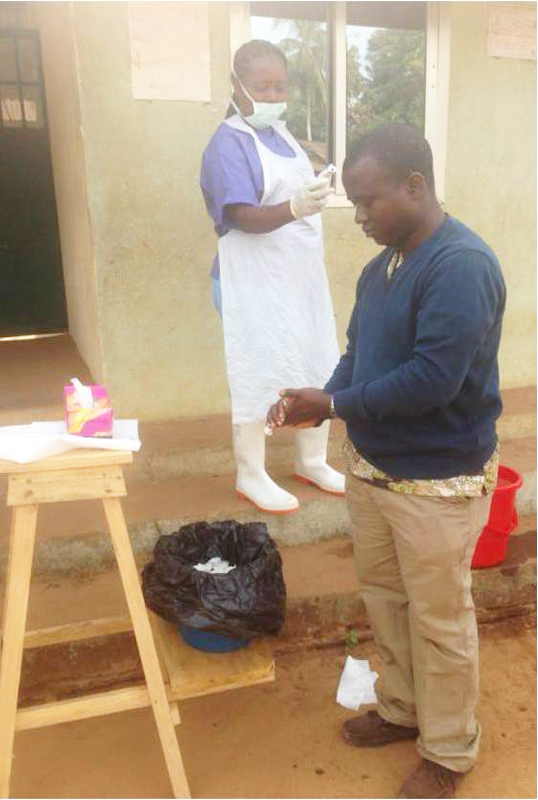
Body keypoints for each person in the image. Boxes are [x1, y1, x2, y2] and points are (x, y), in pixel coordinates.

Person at [267, 122, 506, 798]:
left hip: (436, 481)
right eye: (355, 203)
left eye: (370, 200)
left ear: (415, 186)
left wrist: (337, 404)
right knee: (386, 602)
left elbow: (433, 380)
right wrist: (322, 401)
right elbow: (358, 356)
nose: (361, 217)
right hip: (373, 471)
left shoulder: (461, 266)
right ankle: (402, 709)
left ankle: (449, 750)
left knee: (439, 620)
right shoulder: (381, 270)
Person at [200, 39, 345, 514]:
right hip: (250, 283)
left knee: (314, 361)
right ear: (237, 86)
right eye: (262, 87)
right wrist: (295, 207)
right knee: (256, 370)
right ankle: (251, 473)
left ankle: (312, 460)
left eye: (280, 87)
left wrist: (314, 191)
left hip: (298, 280)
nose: (272, 96)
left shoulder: (283, 136)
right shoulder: (227, 143)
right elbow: (240, 215)